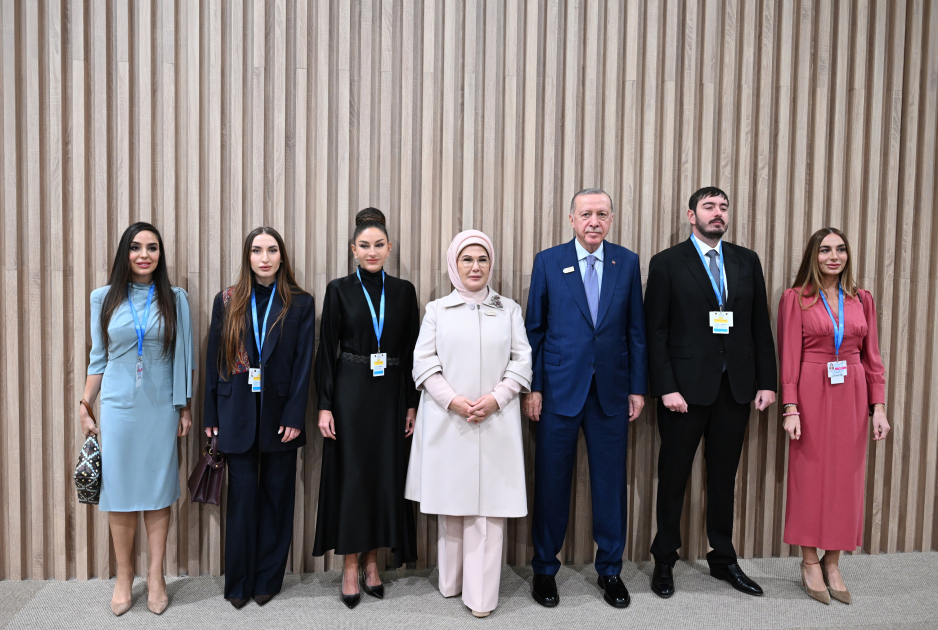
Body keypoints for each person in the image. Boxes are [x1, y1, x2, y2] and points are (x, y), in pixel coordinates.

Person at [644, 186, 777, 599]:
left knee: (723, 479)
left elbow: (760, 325)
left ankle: (723, 558)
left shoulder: (746, 260)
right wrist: (665, 388)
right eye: (709, 207)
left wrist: (767, 381)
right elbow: (656, 332)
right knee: (674, 478)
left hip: (734, 389)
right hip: (683, 393)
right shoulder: (667, 263)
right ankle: (664, 559)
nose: (717, 214)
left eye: (723, 207)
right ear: (691, 215)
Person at [524, 188, 647, 609]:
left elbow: (636, 331)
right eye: (586, 214)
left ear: (610, 219)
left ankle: (610, 570)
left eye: (602, 214)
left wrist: (637, 387)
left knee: (610, 485)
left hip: (611, 392)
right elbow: (534, 331)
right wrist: (534, 387)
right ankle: (544, 569)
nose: (594, 221)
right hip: (558, 390)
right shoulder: (549, 261)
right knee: (552, 483)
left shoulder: (626, 262)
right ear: (572, 219)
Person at [406, 230, 532, 618]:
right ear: (453, 265)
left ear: (491, 264)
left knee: (489, 511)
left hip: (496, 419)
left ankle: (481, 598)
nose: (475, 267)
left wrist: (497, 397)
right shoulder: (437, 310)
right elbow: (424, 362)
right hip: (449, 420)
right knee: (453, 505)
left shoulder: (509, 308)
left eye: (482, 259)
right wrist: (454, 401)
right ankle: (452, 582)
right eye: (467, 259)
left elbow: (522, 360)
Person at [79, 222, 194, 616]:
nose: (144, 254)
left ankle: (156, 576)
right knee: (121, 494)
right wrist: (84, 402)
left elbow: (184, 358)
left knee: (159, 492)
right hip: (117, 407)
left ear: (160, 255)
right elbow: (99, 358)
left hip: (160, 407)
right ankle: (124, 577)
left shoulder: (175, 298)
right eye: (136, 247)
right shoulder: (103, 298)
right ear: (124, 253)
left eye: (152, 248)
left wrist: (184, 406)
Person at [203, 227, 315, 609]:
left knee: (277, 499)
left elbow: (304, 365)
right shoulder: (229, 300)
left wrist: (296, 414)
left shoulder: (300, 303)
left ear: (282, 256)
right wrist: (210, 412)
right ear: (247, 257)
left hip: (282, 417)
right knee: (243, 499)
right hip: (236, 413)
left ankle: (268, 578)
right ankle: (238, 582)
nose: (264, 257)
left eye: (271, 250)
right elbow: (214, 359)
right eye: (256, 250)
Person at [313, 208, 420, 608]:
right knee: (352, 478)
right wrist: (325, 405)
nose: (371, 251)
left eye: (379, 245)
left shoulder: (405, 291)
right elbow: (326, 351)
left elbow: (412, 353)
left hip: (391, 393)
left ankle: (375, 563)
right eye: (364, 245)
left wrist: (411, 403)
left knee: (383, 478)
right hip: (350, 393)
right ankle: (351, 567)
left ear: (389, 248)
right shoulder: (339, 290)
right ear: (352, 250)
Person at [777, 228, 889, 605]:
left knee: (847, 477)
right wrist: (790, 407)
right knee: (809, 474)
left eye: (840, 249)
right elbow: (789, 358)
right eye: (825, 250)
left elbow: (872, 358)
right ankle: (809, 561)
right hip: (810, 390)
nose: (834, 256)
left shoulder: (862, 299)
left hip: (853, 392)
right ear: (814, 255)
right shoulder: (796, 299)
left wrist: (879, 408)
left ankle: (834, 560)